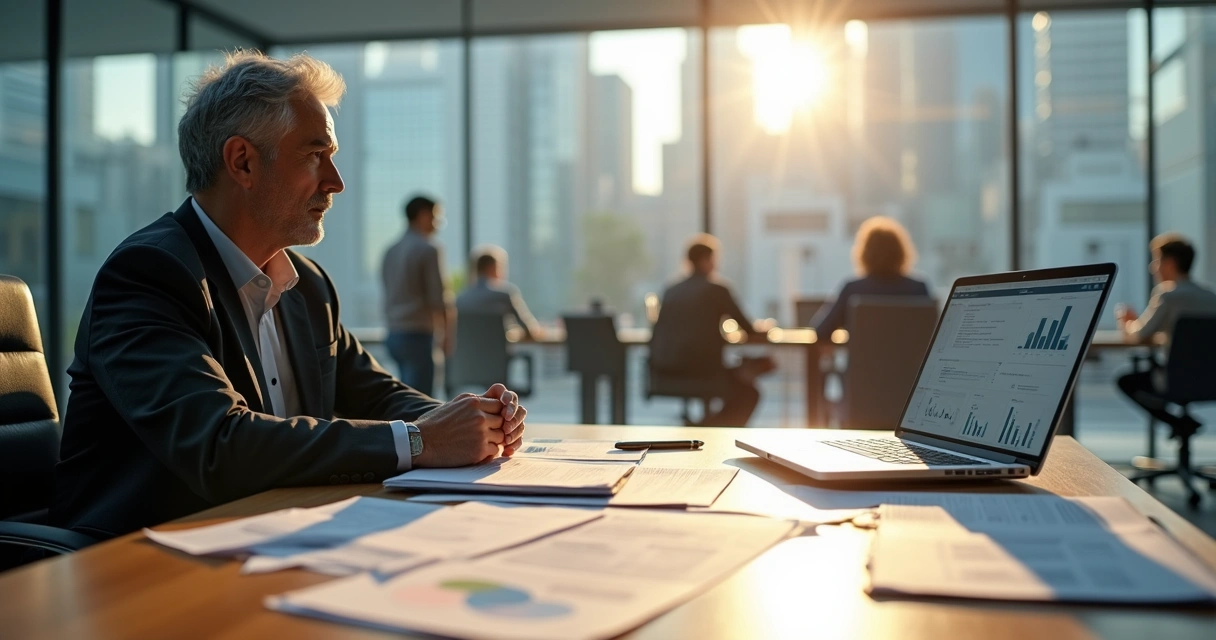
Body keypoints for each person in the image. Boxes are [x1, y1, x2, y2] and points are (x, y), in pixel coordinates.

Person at [50, 51, 527, 540]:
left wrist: (472, 420)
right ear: (243, 162)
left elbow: (375, 394)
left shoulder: (308, 285)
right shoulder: (149, 274)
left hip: (272, 536)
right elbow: (219, 445)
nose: (336, 182)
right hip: (144, 556)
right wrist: (422, 440)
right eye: (315, 155)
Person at [649, 234, 774, 427]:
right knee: (749, 392)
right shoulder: (717, 290)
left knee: (742, 380)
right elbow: (748, 329)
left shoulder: (670, 290)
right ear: (706, 260)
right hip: (704, 371)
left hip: (667, 373)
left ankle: (704, 426)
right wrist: (765, 329)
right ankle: (711, 429)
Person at [1115, 233, 1216, 434]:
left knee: (1125, 382)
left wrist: (1127, 323)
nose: (1153, 267)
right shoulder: (1211, 297)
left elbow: (1140, 334)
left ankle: (1179, 424)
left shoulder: (1168, 295)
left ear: (1169, 263)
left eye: (1156, 261)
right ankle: (1183, 425)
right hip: (1211, 380)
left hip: (1174, 380)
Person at [381, 195, 453, 396]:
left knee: (406, 396)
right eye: (436, 216)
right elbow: (438, 298)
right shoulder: (428, 249)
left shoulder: (390, 250)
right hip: (418, 334)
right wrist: (447, 334)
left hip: (394, 333)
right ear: (423, 215)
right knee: (422, 402)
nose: (438, 223)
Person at [812, 216, 930, 335]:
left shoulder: (853, 290)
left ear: (864, 253)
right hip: (907, 348)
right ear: (902, 252)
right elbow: (932, 332)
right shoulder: (918, 289)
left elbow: (821, 331)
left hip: (862, 348)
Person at [456, 245, 543, 339]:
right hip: (497, 347)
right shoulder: (504, 295)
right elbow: (530, 330)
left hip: (467, 348)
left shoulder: (460, 299)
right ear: (492, 268)